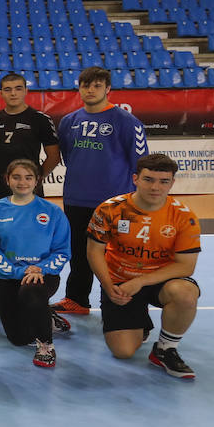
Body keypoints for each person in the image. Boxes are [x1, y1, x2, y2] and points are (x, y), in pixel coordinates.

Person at [87, 153, 202, 379]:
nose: (155, 187)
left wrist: (139, 282)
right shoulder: (110, 209)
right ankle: (141, 321)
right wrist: (109, 286)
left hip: (160, 280)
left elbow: (185, 266)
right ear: (135, 179)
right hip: (119, 281)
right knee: (123, 351)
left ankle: (165, 349)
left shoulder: (183, 216)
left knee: (186, 293)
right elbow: (94, 251)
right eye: (148, 179)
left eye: (163, 181)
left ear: (172, 183)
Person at [52, 66, 147, 316]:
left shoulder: (127, 122)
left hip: (116, 202)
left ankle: (122, 302)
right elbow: (68, 156)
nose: (90, 90)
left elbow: (140, 163)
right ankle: (77, 300)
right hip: (76, 199)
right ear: (79, 88)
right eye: (86, 85)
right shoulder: (69, 122)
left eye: (96, 85)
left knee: (117, 256)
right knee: (79, 254)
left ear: (108, 89)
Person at [0, 159, 71, 367]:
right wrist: (18, 271)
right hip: (7, 276)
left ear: (37, 180)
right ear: (7, 180)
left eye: (28, 177)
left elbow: (62, 250)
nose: (23, 182)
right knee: (19, 339)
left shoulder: (52, 211)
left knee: (31, 292)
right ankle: (47, 316)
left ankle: (46, 346)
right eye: (17, 177)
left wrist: (41, 268)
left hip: (41, 277)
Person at [0, 72, 62, 204]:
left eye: (18, 88)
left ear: (26, 91)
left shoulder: (40, 120)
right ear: (1, 93)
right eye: (8, 89)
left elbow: (54, 157)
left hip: (29, 187)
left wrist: (36, 178)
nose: (13, 93)